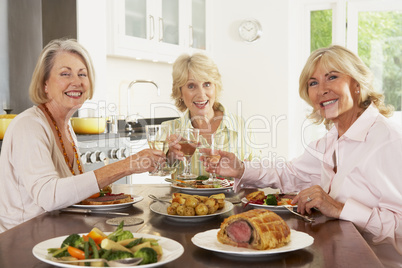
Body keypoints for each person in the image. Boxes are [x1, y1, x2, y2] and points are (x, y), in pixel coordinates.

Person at [202, 45, 402, 267]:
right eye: (313, 83)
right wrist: (240, 169)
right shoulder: (332, 139)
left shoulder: (389, 141)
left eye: (332, 77)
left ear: (357, 84)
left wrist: (339, 208)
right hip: (338, 255)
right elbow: (290, 173)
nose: (321, 89)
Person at [0, 39, 164, 232]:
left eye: (82, 74)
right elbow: (49, 195)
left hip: (57, 234)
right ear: (45, 84)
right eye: (65, 74)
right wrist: (127, 165)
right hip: (23, 243)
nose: (76, 82)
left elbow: (72, 194)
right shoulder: (28, 125)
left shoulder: (66, 127)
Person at [162, 53, 258, 178]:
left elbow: (256, 173)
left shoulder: (241, 126)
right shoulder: (170, 129)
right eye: (191, 86)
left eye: (207, 84)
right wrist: (169, 158)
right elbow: (158, 171)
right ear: (179, 92)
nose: (201, 94)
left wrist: (240, 168)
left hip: (233, 198)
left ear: (215, 87)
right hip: (186, 198)